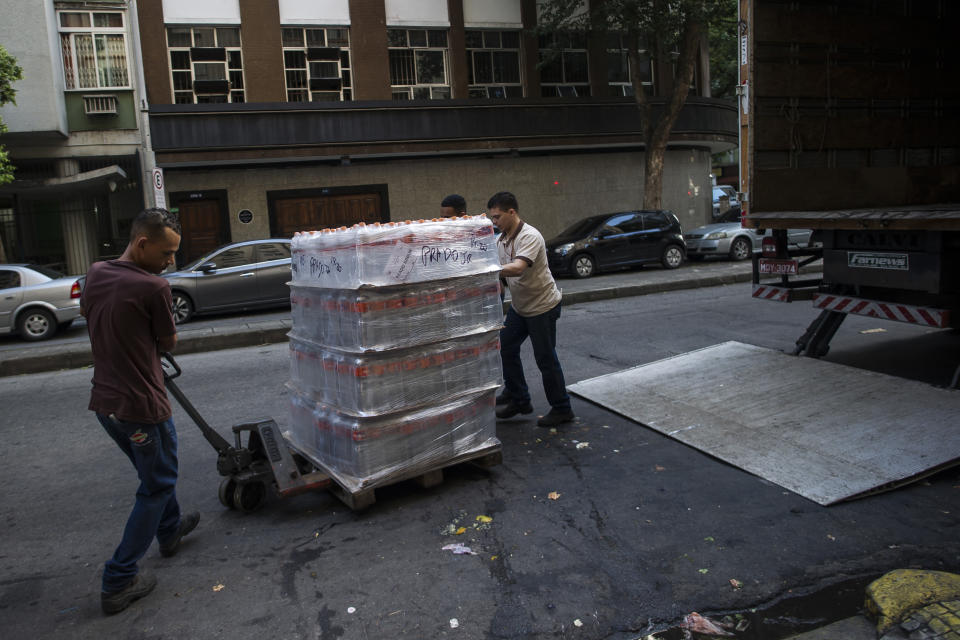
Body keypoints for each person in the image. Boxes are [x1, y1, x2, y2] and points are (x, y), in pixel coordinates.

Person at [80, 208, 200, 615]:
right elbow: (167, 343)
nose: (171, 261)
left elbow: (95, 318)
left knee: (153, 474)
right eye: (167, 253)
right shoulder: (154, 288)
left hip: (105, 403)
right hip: (141, 406)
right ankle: (119, 579)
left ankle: (169, 530)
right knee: (157, 484)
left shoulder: (95, 273)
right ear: (142, 243)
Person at [487, 191, 575, 427]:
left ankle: (562, 408)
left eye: (497, 217)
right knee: (505, 346)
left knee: (545, 358)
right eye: (492, 218)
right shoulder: (500, 240)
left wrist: (488, 270)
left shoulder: (530, 236)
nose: (494, 222)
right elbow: (503, 280)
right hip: (520, 307)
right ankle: (519, 399)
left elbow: (517, 268)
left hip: (542, 306)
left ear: (512, 212)